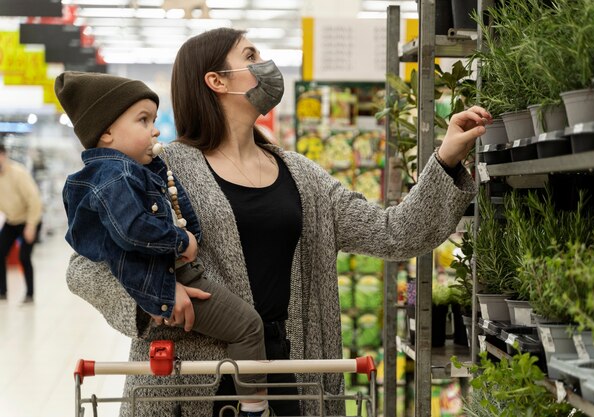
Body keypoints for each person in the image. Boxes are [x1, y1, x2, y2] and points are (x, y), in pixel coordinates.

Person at [65, 27, 490, 417]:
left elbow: (394, 233)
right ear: (217, 80)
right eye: (250, 55)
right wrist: (153, 299)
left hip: (289, 373)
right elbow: (83, 266)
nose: (265, 66)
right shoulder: (162, 169)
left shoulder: (301, 175)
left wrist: (446, 158)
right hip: (187, 381)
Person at [55, 71, 273, 417]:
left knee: (246, 327)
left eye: (154, 120)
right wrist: (171, 261)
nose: (155, 130)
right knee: (247, 326)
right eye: (144, 120)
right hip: (172, 303)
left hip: (176, 284)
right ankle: (255, 408)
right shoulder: (120, 175)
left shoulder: (138, 168)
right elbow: (113, 244)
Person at [0, 143, 43, 303]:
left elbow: (34, 200)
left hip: (30, 219)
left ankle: (30, 294)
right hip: (12, 220)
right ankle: (2, 292)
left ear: (3, 155)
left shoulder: (18, 173)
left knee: (24, 256)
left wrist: (31, 225)